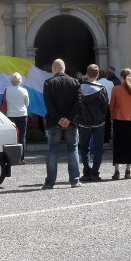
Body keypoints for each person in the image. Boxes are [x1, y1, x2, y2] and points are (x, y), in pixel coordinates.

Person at [41, 59, 82, 189]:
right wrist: (69, 118)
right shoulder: (75, 82)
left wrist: (59, 118)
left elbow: (49, 104)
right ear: (64, 68)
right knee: (73, 149)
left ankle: (50, 182)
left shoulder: (48, 83)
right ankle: (75, 180)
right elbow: (78, 102)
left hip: (54, 121)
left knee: (53, 150)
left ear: (54, 69)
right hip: (72, 121)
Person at [77, 64, 109, 183]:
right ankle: (95, 173)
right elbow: (105, 106)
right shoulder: (102, 89)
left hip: (84, 122)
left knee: (84, 148)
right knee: (98, 149)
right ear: (98, 75)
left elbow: (76, 105)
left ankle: (86, 171)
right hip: (98, 122)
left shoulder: (80, 88)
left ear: (87, 73)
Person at [110, 67, 131, 179]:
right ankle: (128, 170)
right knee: (130, 145)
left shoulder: (116, 89)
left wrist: (112, 115)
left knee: (118, 145)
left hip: (119, 118)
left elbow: (112, 104)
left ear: (121, 77)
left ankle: (117, 170)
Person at [5, 72, 30, 164]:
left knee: (11, 136)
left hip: (10, 115)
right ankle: (21, 158)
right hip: (22, 114)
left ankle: (10, 158)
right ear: (20, 81)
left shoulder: (7, 90)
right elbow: (27, 104)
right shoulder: (24, 90)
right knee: (22, 136)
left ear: (11, 81)